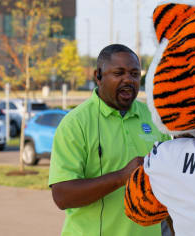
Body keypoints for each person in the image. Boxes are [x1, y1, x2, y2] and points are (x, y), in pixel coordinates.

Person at [48, 44, 170, 236]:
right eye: (119, 73)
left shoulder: (154, 118)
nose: (128, 80)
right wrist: (121, 177)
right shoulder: (75, 123)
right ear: (98, 76)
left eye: (134, 74)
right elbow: (62, 196)